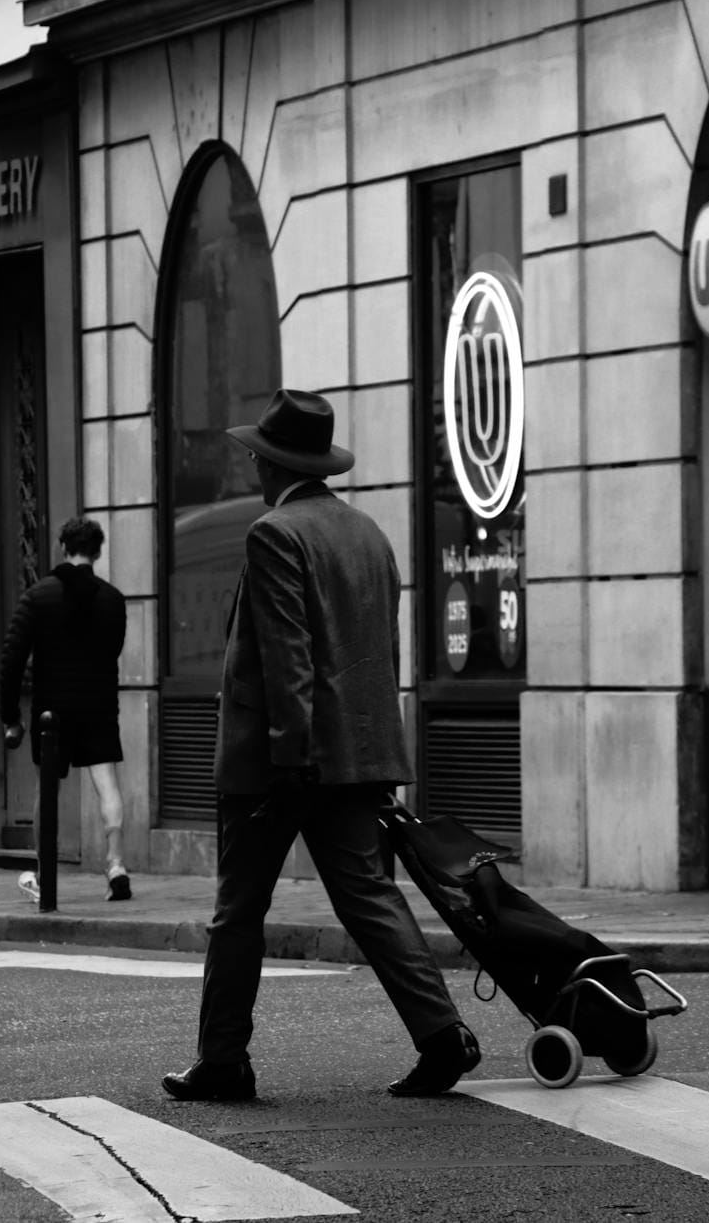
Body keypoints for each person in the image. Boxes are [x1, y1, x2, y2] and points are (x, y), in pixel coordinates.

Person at [162, 388, 481, 1103]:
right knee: (370, 897)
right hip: (358, 752)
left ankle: (224, 1060)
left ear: (270, 463)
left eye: (256, 457)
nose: (253, 469)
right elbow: (379, 651)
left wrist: (287, 755)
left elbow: (288, 656)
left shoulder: (275, 533)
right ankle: (443, 1034)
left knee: (238, 911)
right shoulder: (369, 533)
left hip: (280, 762)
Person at [0, 517, 132, 900]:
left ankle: (44, 873)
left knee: (48, 789)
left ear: (62, 547)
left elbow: (11, 658)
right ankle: (116, 864)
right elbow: (114, 649)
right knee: (106, 783)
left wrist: (11, 716)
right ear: (97, 551)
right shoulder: (112, 599)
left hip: (51, 712)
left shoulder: (38, 597)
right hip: (99, 704)